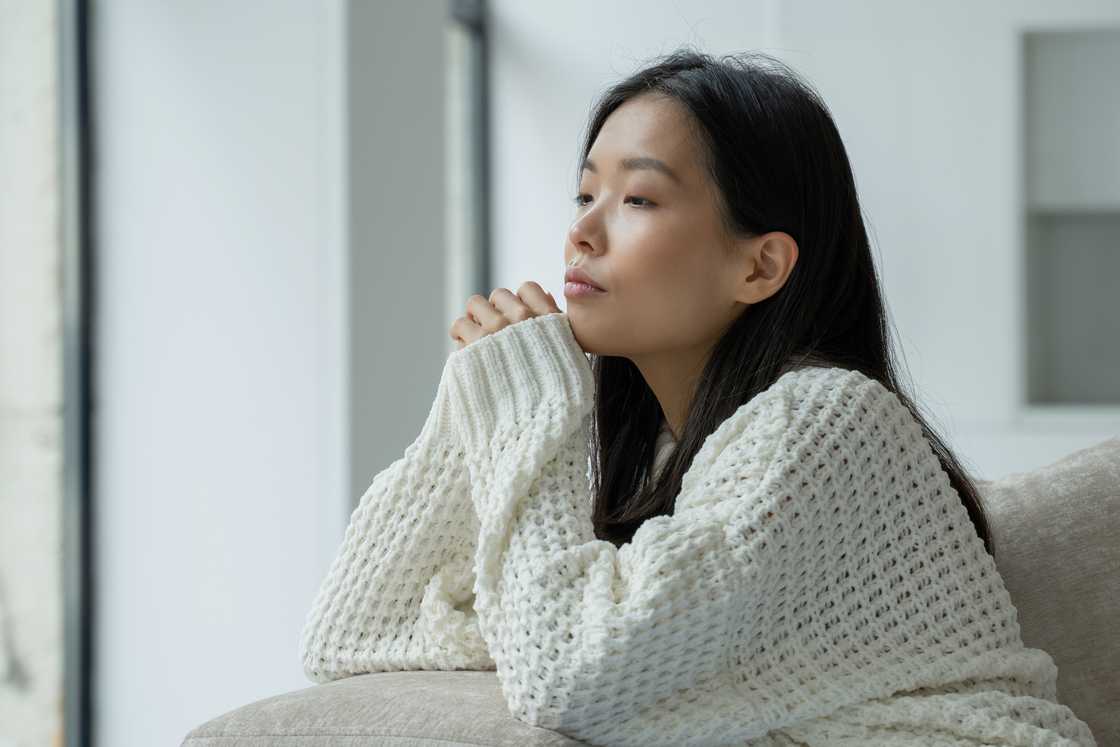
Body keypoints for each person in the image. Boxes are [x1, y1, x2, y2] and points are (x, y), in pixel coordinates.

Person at [300, 47, 1097, 746]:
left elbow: (570, 677)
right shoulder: (666, 456)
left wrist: (525, 406)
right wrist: (484, 392)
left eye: (638, 199)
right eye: (584, 195)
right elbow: (355, 628)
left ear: (760, 267)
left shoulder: (825, 422)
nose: (583, 231)